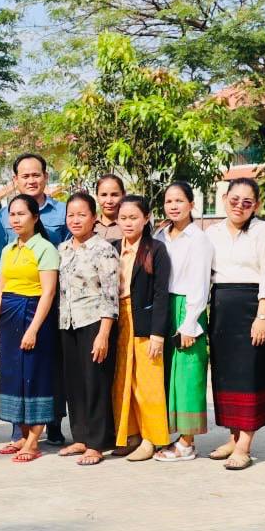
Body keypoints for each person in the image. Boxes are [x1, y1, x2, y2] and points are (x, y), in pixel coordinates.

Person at [0, 153, 66, 445]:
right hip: (10, 313)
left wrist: (33, 327)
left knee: (39, 370)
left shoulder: (47, 242)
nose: (16, 219)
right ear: (15, 180)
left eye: (36, 174)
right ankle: (20, 433)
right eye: (13, 215)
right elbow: (0, 286)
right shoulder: (8, 245)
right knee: (13, 372)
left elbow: (49, 290)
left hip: (38, 308)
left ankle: (41, 433)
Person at [207, 178, 265, 471]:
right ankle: (232, 437)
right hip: (222, 308)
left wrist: (262, 316)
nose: (239, 206)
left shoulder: (263, 231)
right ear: (225, 199)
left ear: (256, 205)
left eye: (247, 202)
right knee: (225, 375)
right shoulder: (211, 233)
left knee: (250, 376)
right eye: (234, 200)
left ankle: (244, 445)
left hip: (252, 307)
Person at [55, 191, 120, 466]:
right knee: (75, 383)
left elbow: (110, 295)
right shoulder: (63, 249)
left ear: (94, 218)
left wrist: (104, 334)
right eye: (71, 215)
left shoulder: (104, 249)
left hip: (94, 323)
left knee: (96, 382)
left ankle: (97, 443)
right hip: (67, 322)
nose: (75, 219)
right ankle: (80, 437)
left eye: (82, 214)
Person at [152, 182, 214, 462]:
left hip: (187, 307)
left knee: (188, 374)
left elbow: (200, 282)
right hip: (164, 306)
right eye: (168, 201)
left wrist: (190, 324)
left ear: (191, 204)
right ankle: (167, 434)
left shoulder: (198, 239)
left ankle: (187, 442)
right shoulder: (160, 235)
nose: (173, 206)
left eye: (179, 200)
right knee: (166, 374)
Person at [110, 196, 173, 461]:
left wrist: (158, 333)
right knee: (122, 382)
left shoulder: (156, 249)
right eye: (123, 218)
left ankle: (151, 438)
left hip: (145, 323)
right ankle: (130, 435)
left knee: (148, 382)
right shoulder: (112, 248)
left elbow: (161, 295)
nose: (128, 223)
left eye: (134, 217)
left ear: (146, 218)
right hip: (118, 321)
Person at [93, 174, 125, 241]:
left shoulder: (129, 227)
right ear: (97, 196)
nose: (109, 201)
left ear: (123, 195)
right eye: (103, 195)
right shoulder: (89, 225)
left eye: (114, 195)